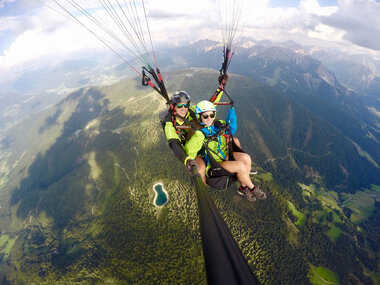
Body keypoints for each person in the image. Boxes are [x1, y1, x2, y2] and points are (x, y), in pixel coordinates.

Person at [185, 100, 266, 202]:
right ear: (199, 117)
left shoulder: (218, 124)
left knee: (246, 158)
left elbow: (231, 129)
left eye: (212, 115)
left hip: (223, 156)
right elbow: (189, 150)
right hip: (214, 165)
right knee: (241, 166)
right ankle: (252, 188)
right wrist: (198, 137)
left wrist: (231, 112)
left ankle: (243, 187)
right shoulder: (198, 133)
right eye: (205, 116)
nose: (209, 118)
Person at [161, 91, 206, 176]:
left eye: (185, 105)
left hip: (196, 140)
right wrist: (187, 160)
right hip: (186, 148)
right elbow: (173, 142)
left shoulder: (191, 111)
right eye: (179, 105)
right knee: (201, 168)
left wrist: (220, 88)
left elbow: (207, 106)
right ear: (174, 107)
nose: (183, 108)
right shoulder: (169, 122)